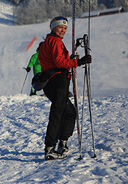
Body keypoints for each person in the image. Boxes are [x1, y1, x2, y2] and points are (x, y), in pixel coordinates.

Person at [38, 16, 91, 160]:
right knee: (58, 114)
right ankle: (50, 148)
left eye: (65, 28)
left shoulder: (48, 42)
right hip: (57, 82)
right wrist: (78, 62)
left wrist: (72, 60)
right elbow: (59, 62)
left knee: (68, 112)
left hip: (52, 83)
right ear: (53, 28)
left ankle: (62, 143)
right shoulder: (54, 41)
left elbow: (57, 61)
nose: (63, 31)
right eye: (61, 27)